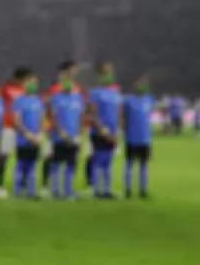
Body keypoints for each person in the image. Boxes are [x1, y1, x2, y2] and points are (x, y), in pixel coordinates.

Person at [46, 66, 86, 200]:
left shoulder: (78, 98)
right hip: (59, 136)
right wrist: (60, 131)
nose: (68, 84)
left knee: (71, 163)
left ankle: (69, 190)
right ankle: (55, 190)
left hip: (74, 135)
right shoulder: (56, 98)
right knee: (57, 162)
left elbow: (81, 116)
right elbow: (53, 116)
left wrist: (80, 132)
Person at [87, 62, 123, 200]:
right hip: (99, 132)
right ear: (101, 76)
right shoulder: (95, 93)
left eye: (110, 73)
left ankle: (107, 189)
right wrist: (101, 128)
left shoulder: (116, 93)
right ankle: (96, 190)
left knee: (108, 161)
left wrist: (117, 131)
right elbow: (92, 113)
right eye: (105, 74)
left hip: (113, 133)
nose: (109, 76)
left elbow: (119, 114)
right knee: (99, 160)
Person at [12, 74, 45, 200]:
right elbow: (17, 121)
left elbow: (42, 119)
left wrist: (39, 134)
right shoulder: (19, 101)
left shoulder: (38, 101)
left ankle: (32, 191)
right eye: (29, 83)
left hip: (35, 139)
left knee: (33, 166)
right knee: (21, 165)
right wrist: (28, 134)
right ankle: (18, 191)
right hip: (23, 139)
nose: (32, 85)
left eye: (34, 83)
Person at [123, 76, 156, 199]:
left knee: (144, 165)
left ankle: (143, 189)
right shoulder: (129, 101)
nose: (142, 86)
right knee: (129, 164)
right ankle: (128, 189)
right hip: (132, 137)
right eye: (140, 84)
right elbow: (124, 117)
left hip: (145, 138)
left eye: (144, 84)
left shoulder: (150, 100)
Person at [0, 67, 29, 192]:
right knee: (4, 155)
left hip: (22, 128)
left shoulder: (24, 91)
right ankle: (0, 183)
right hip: (8, 126)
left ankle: (23, 184)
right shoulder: (6, 89)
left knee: (23, 156)